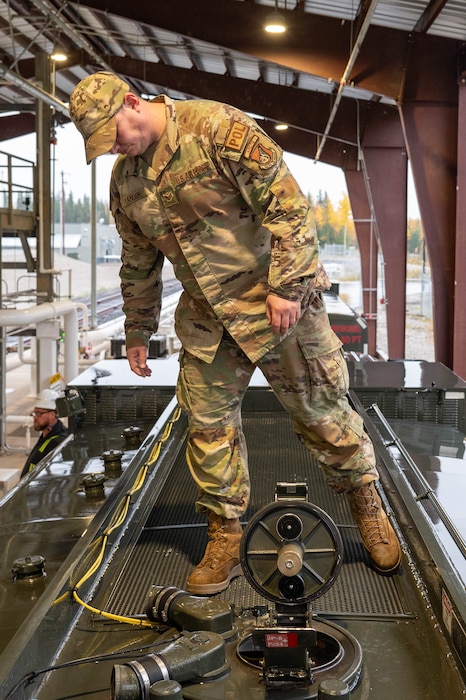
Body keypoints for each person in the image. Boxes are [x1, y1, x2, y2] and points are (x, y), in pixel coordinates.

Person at [69, 71, 402, 594]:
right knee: (206, 424)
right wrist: (137, 329)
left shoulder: (217, 128)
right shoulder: (125, 180)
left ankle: (366, 505)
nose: (114, 149)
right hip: (209, 316)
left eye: (114, 134)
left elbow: (288, 208)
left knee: (321, 412)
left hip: (278, 301)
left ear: (133, 103)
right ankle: (224, 534)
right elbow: (138, 261)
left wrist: (289, 288)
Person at [20, 389, 68, 478]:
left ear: (52, 414)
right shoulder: (47, 436)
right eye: (35, 412)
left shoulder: (58, 442)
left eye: (39, 413)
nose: (35, 417)